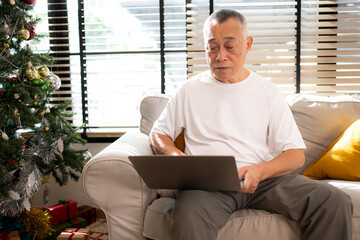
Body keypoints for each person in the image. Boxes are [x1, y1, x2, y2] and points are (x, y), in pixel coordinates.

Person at [149, 9, 353, 240]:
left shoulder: (267, 91)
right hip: (207, 186)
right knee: (190, 214)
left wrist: (259, 170)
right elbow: (159, 133)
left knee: (333, 201)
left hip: (264, 180)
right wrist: (175, 155)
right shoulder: (189, 90)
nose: (220, 56)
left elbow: (295, 156)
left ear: (247, 44)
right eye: (212, 47)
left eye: (229, 46)